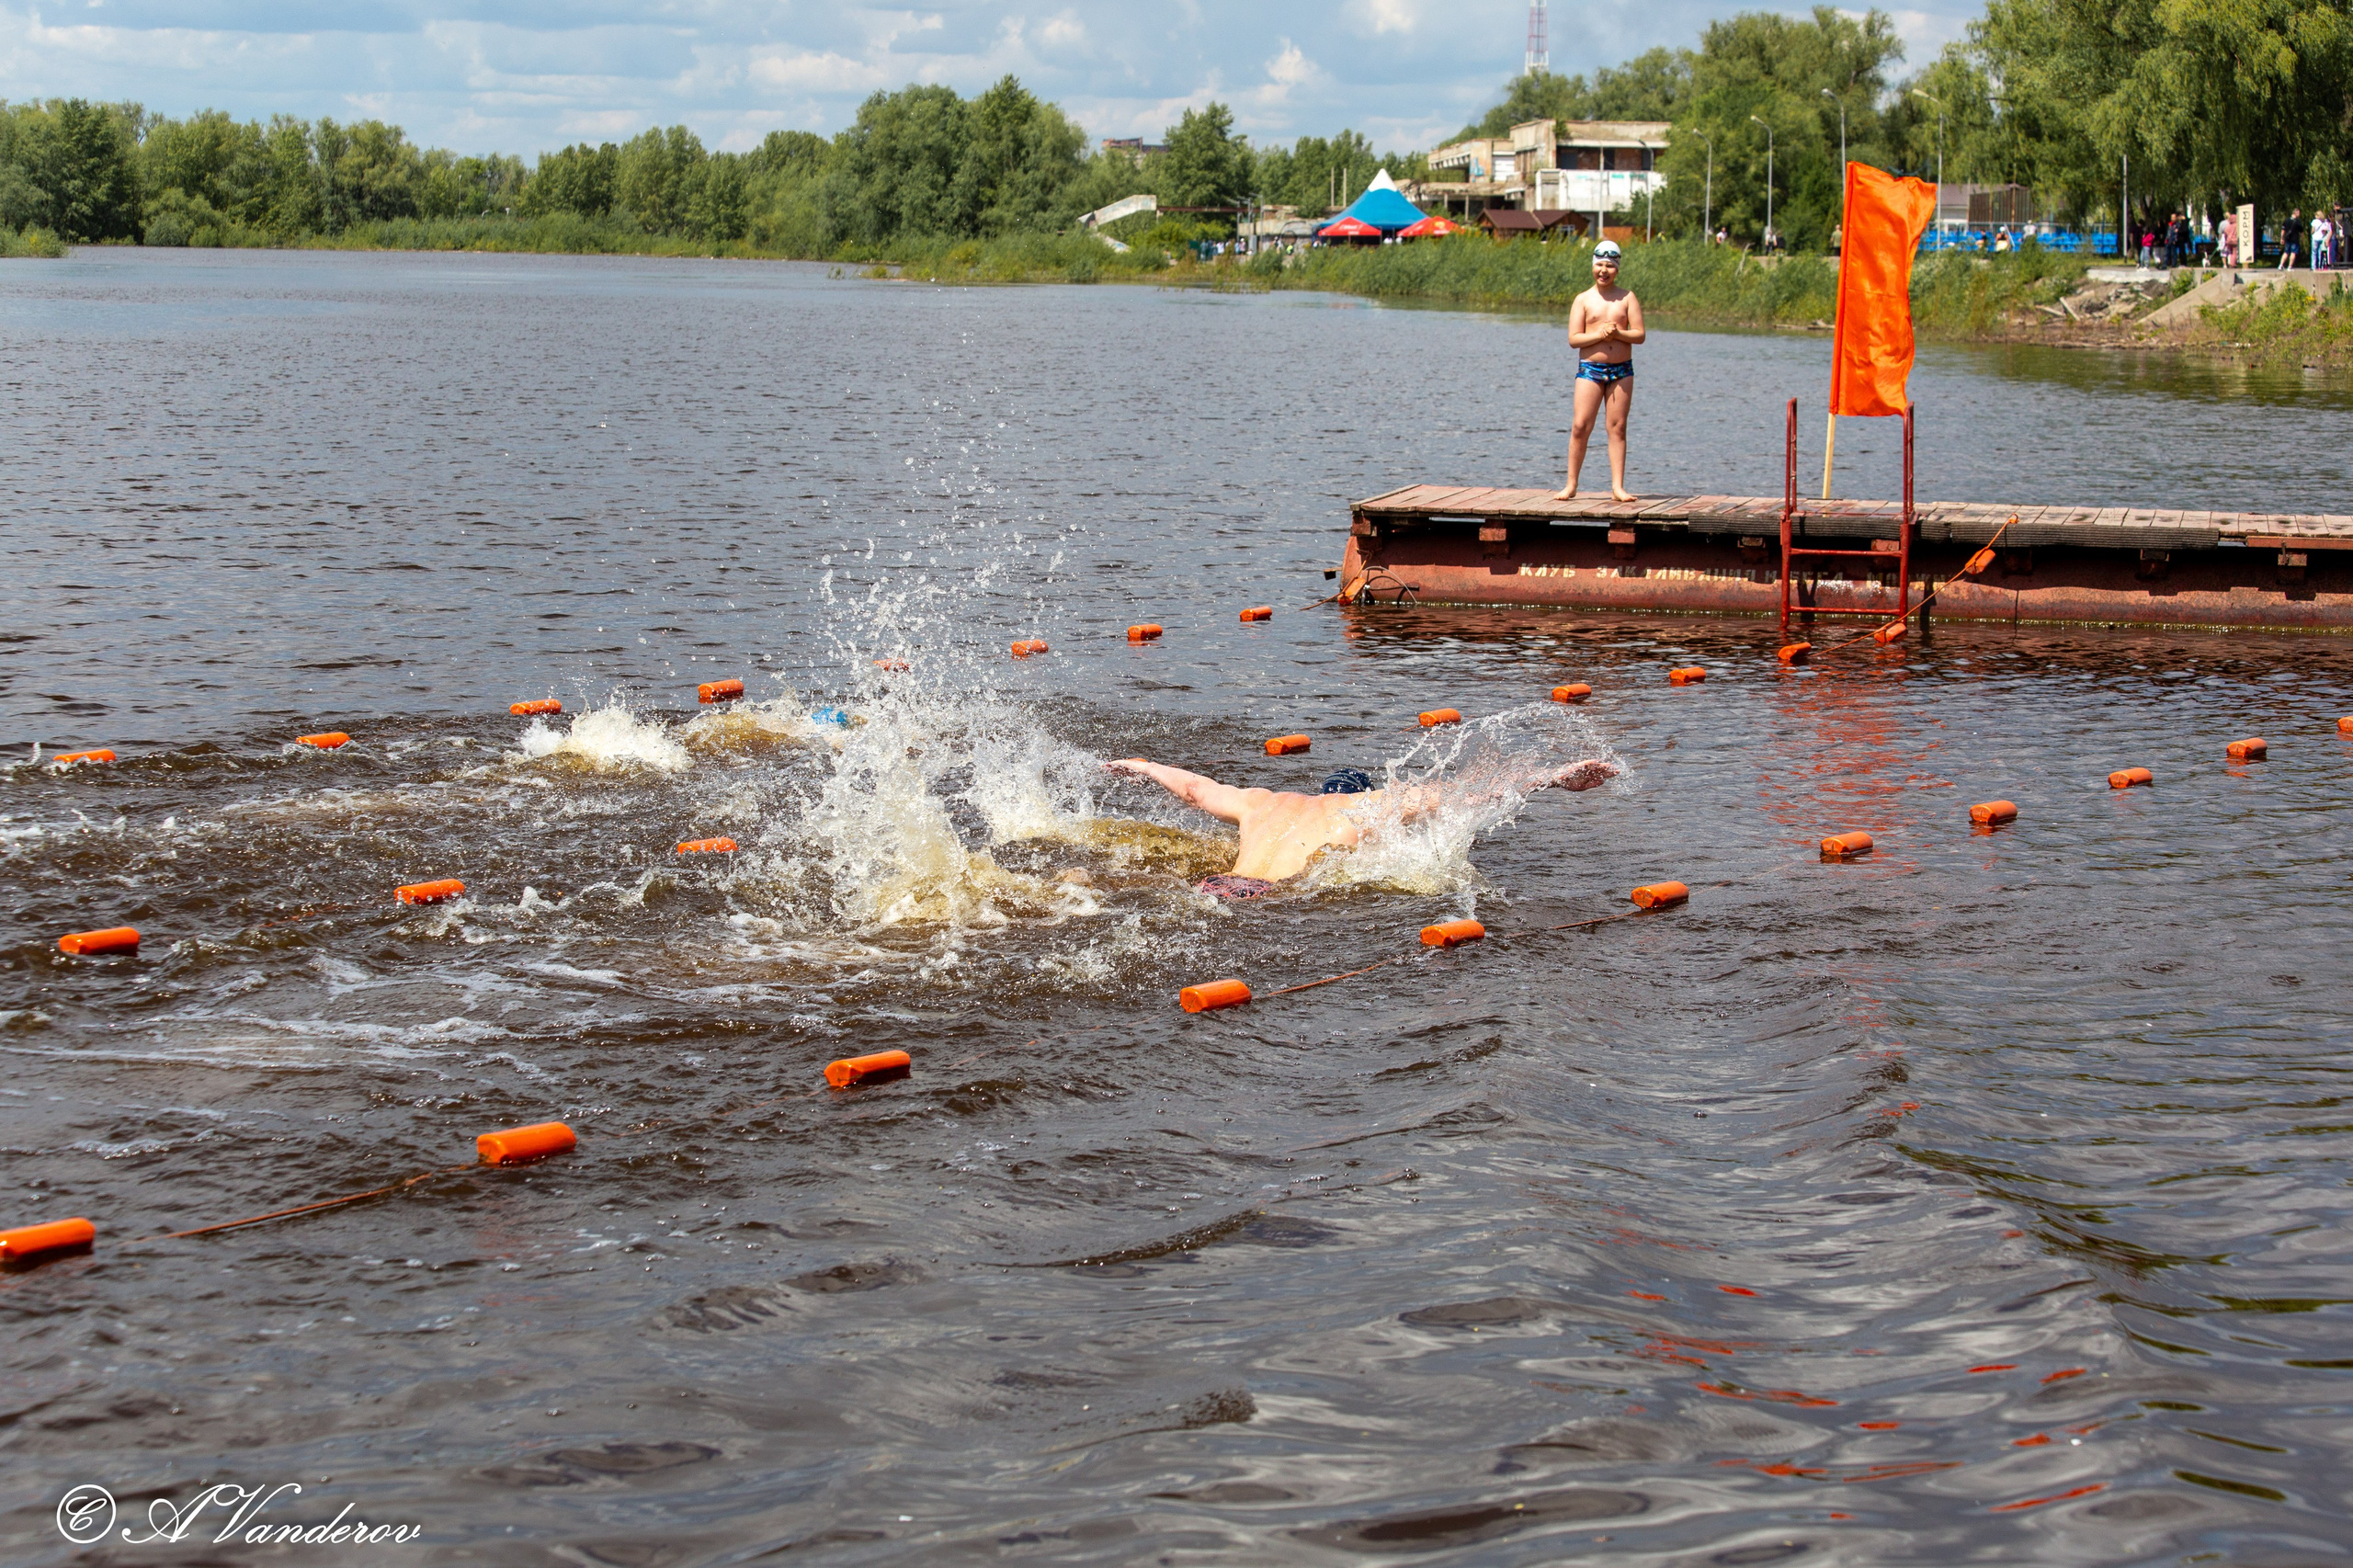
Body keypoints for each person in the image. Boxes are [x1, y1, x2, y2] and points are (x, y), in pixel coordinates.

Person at [1105, 756, 1620, 899]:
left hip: (1213, 888)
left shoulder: (1262, 802)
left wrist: (1145, 767)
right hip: (1266, 897)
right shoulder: (1371, 807)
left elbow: (1196, 788)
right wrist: (1551, 778)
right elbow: (1468, 793)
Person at [1556, 238, 1645, 503]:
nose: (1604, 271)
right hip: (1590, 370)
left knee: (1617, 427)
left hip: (1621, 371)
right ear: (1593, 267)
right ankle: (1571, 484)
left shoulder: (1627, 298)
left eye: (1609, 266)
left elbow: (1639, 335)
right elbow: (1574, 339)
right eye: (1599, 265)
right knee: (1580, 425)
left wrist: (1618, 333)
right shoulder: (1583, 300)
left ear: (1617, 268)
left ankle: (1618, 487)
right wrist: (1599, 334)